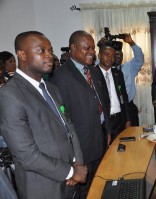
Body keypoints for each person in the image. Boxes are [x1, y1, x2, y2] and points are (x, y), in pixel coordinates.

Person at [0, 31, 87, 199]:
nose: (49, 55)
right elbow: (26, 155)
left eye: (50, 50)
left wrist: (78, 163)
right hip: (43, 187)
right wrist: (70, 172)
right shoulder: (9, 95)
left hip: (70, 181)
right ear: (22, 54)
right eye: (41, 50)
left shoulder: (52, 88)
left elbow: (69, 128)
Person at [51, 30, 111, 198]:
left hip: (99, 137)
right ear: (73, 48)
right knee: (84, 191)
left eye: (93, 48)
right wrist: (74, 155)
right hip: (81, 147)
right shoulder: (61, 76)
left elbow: (104, 102)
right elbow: (63, 119)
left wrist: (107, 129)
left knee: (99, 183)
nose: (92, 51)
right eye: (87, 48)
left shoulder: (94, 71)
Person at [96, 45, 131, 143]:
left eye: (113, 56)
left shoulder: (118, 73)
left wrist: (128, 119)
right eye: (106, 54)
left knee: (120, 149)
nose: (110, 58)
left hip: (119, 119)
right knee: (105, 152)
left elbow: (124, 97)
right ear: (99, 55)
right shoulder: (93, 74)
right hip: (102, 121)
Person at [112, 34, 144, 126]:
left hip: (128, 107)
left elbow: (139, 58)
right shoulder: (104, 70)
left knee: (133, 136)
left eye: (120, 55)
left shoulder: (129, 67)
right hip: (113, 110)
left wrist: (131, 43)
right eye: (115, 54)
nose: (118, 57)